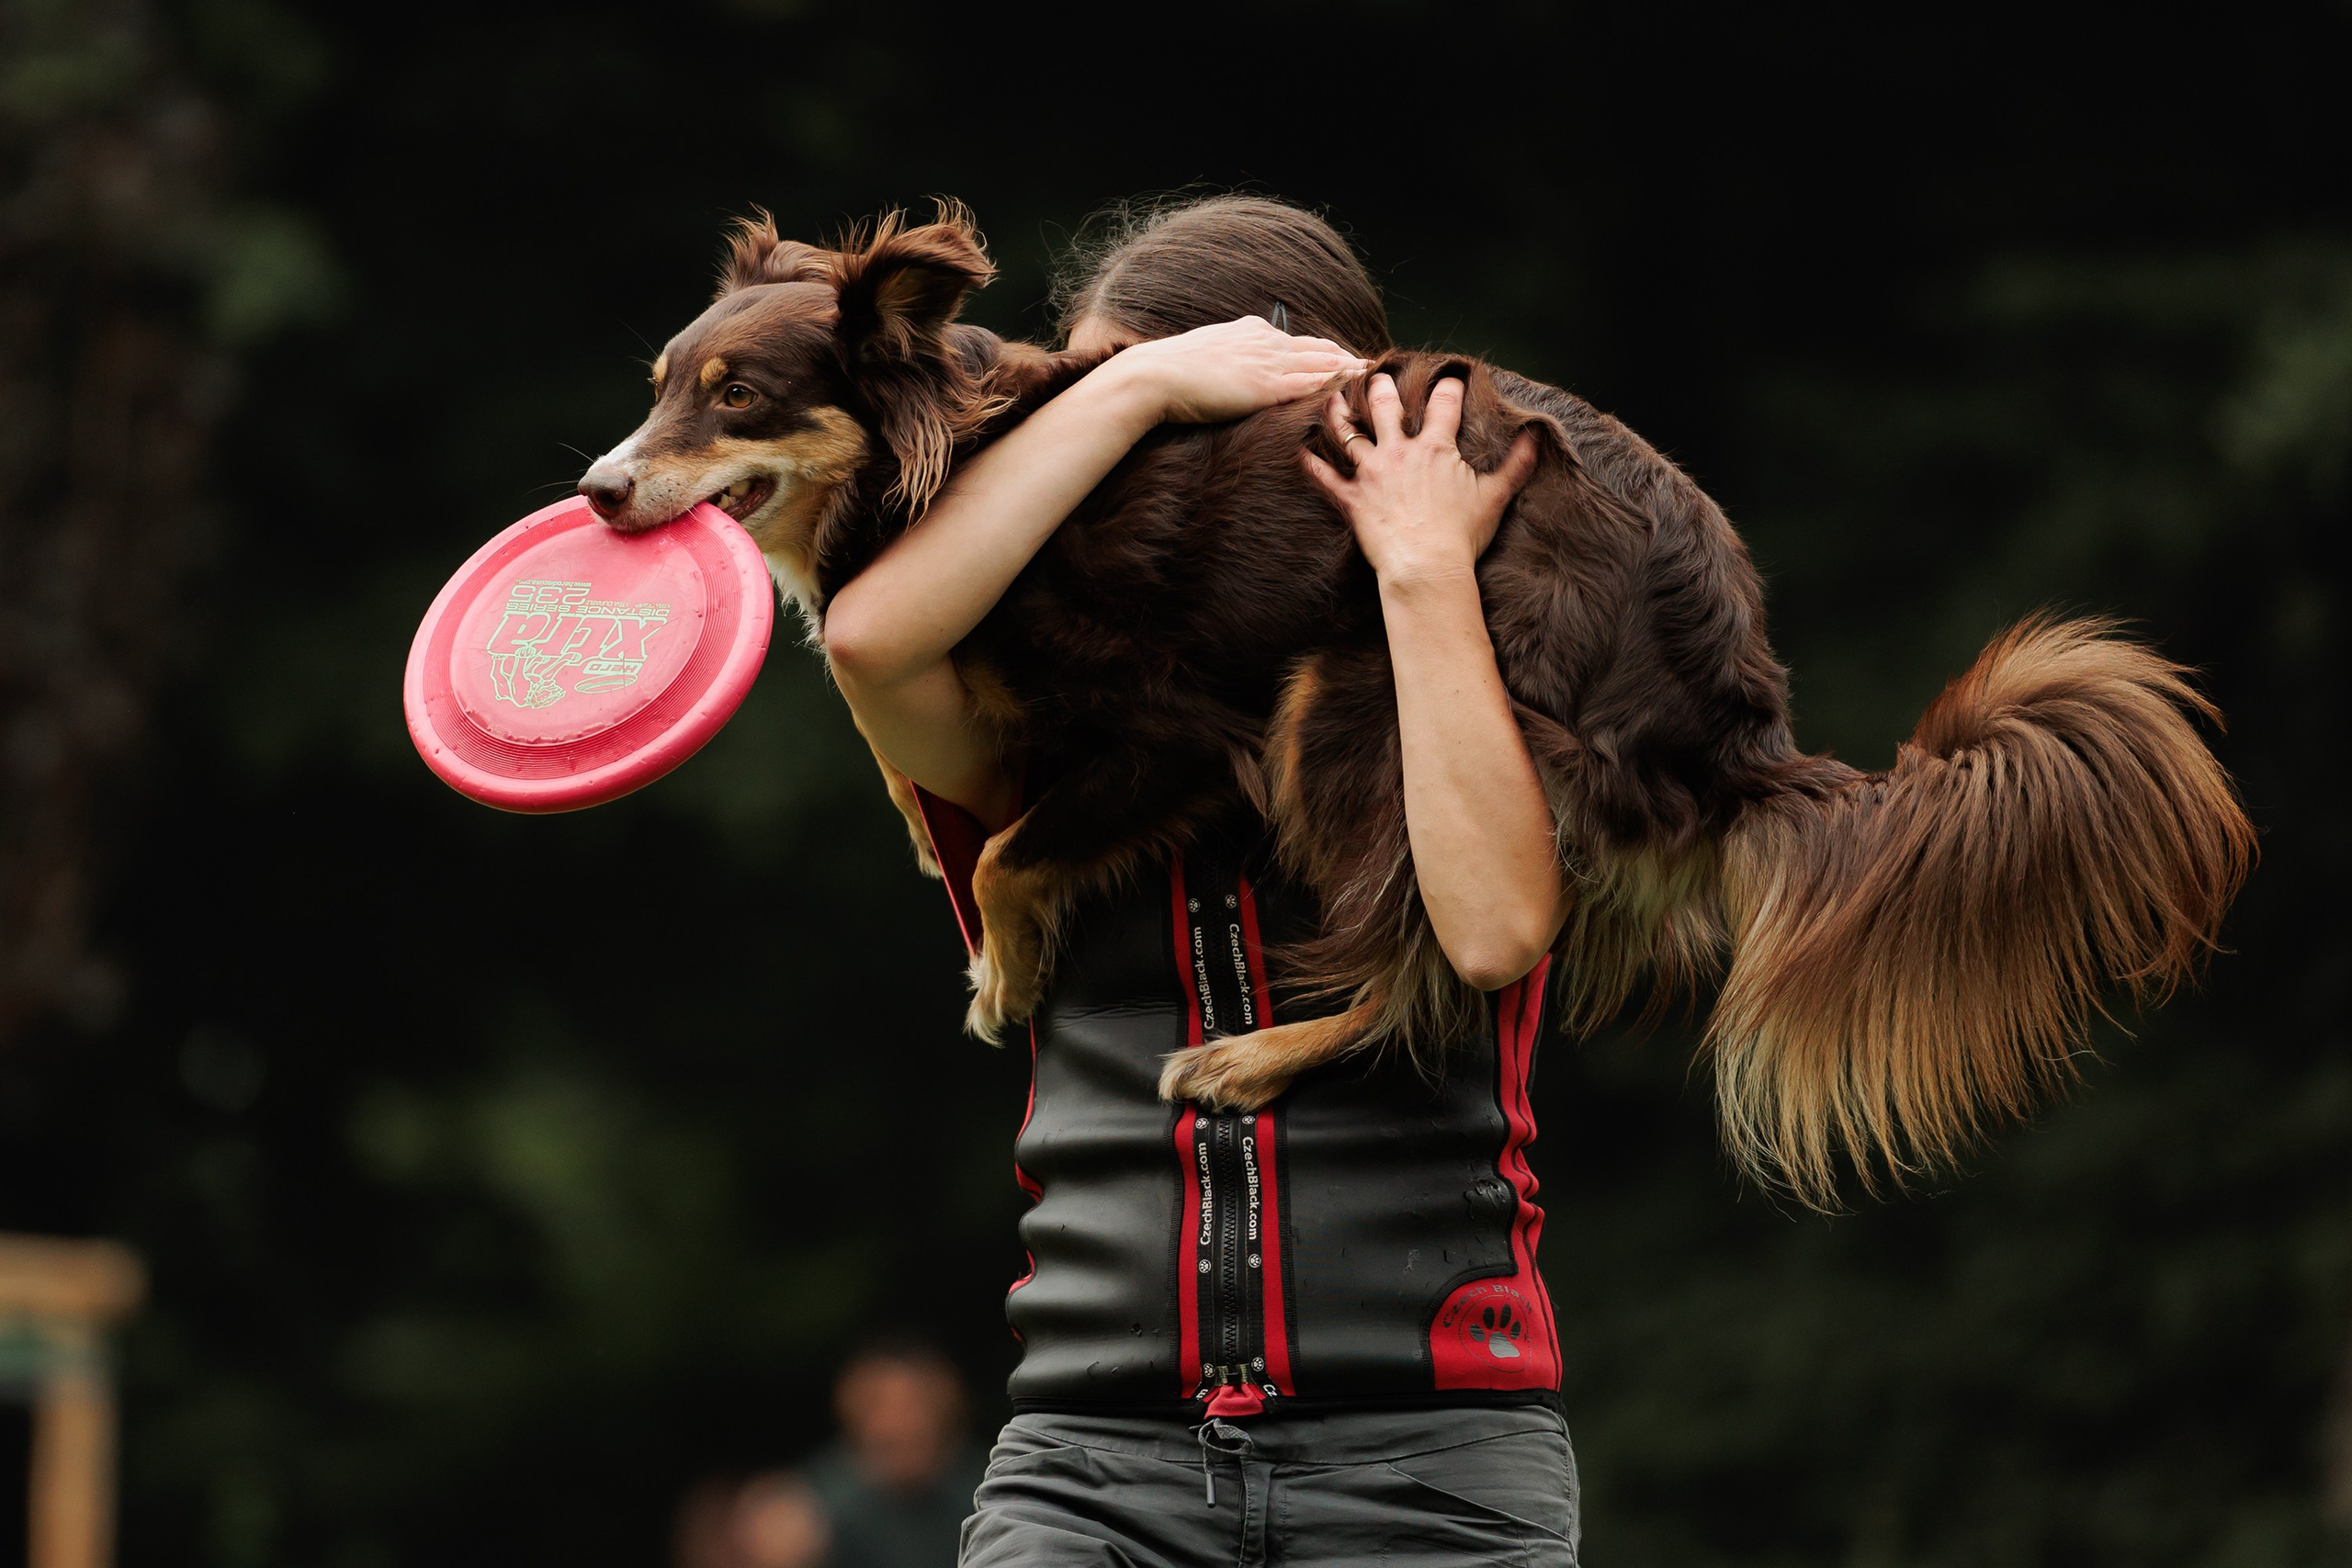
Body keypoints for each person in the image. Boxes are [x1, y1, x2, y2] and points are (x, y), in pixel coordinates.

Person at [822, 197, 1579, 1565]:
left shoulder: (1490, 671)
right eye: (1087, 434)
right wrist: (1141, 386)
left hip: (1431, 1465)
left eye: (1166, 436)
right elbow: (869, 640)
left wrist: (1416, 563)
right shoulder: (1016, 720)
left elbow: (1490, 931)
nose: (1108, 475)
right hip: (1089, 1466)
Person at [674, 1340, 984, 1568]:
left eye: (916, 1405)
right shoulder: (808, 1503)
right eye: (881, 1406)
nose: (900, 1422)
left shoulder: (991, 1493)